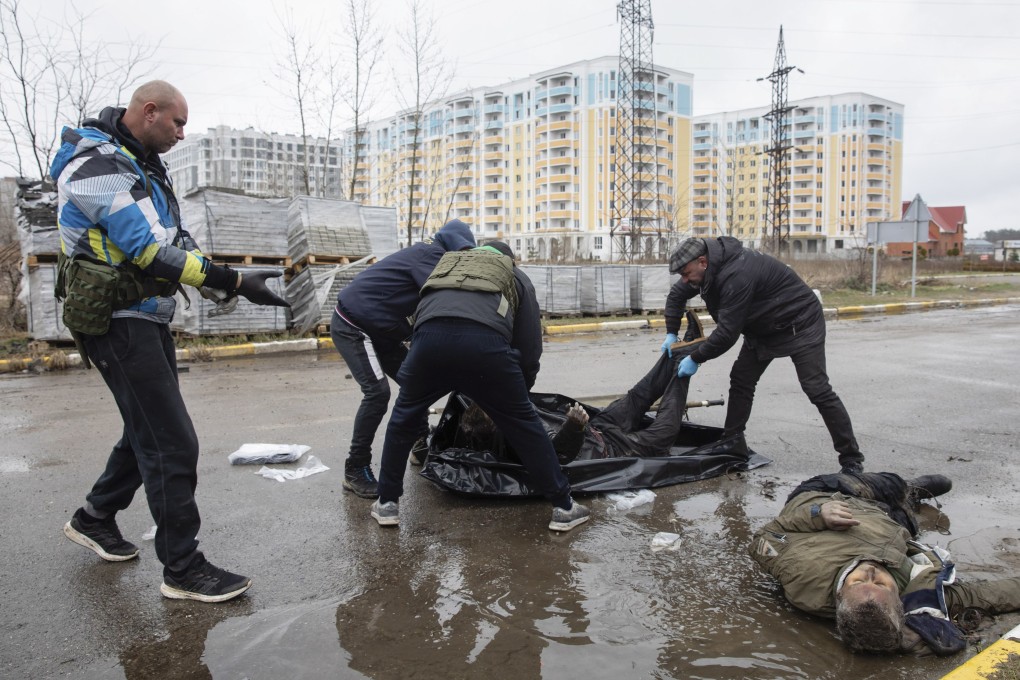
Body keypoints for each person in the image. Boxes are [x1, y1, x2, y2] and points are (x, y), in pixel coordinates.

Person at [52, 80, 289, 603]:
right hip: (118, 318)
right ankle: (182, 569)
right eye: (178, 123)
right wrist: (230, 281)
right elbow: (146, 248)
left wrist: (232, 281)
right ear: (149, 110)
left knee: (148, 433)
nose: (183, 133)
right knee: (172, 442)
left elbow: (174, 236)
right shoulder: (96, 163)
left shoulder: (140, 164)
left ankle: (94, 518)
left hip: (145, 315)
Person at [371, 241, 589, 531]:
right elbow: (529, 345)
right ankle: (563, 507)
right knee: (524, 424)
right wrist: (520, 394)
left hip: (427, 345)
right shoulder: (514, 275)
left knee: (403, 417)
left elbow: (421, 313)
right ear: (510, 259)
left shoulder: (446, 269)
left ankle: (387, 504)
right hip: (484, 347)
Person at [750, 472, 1020, 655]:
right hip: (892, 526)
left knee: (893, 484)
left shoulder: (802, 576)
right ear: (900, 602)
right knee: (904, 507)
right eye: (880, 583)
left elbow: (762, 537)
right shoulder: (919, 593)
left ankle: (902, 488)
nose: (869, 573)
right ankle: (909, 496)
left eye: (858, 582)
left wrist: (818, 515)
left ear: (840, 595)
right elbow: (986, 595)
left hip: (829, 494)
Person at [662, 236, 865, 474]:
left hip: (800, 323)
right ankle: (731, 441)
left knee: (817, 388)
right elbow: (677, 295)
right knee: (741, 380)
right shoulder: (705, 271)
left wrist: (695, 358)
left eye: (686, 273)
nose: (685, 280)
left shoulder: (737, 274)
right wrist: (671, 333)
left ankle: (851, 459)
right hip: (764, 328)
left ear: (703, 261)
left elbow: (727, 333)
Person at [330, 219, 475, 498]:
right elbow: (443, 298)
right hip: (353, 324)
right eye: (465, 252)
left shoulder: (434, 256)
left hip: (382, 331)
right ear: (456, 247)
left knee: (417, 382)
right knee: (377, 393)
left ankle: (420, 445)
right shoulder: (432, 256)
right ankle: (355, 468)